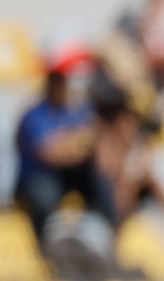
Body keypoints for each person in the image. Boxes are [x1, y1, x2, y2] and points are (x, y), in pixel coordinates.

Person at [14, 70, 114, 241]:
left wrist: (69, 146)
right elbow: (46, 154)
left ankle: (108, 234)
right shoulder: (35, 115)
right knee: (46, 197)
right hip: (38, 175)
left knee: (100, 183)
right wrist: (76, 148)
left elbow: (96, 138)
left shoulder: (77, 110)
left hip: (68, 173)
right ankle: (44, 243)